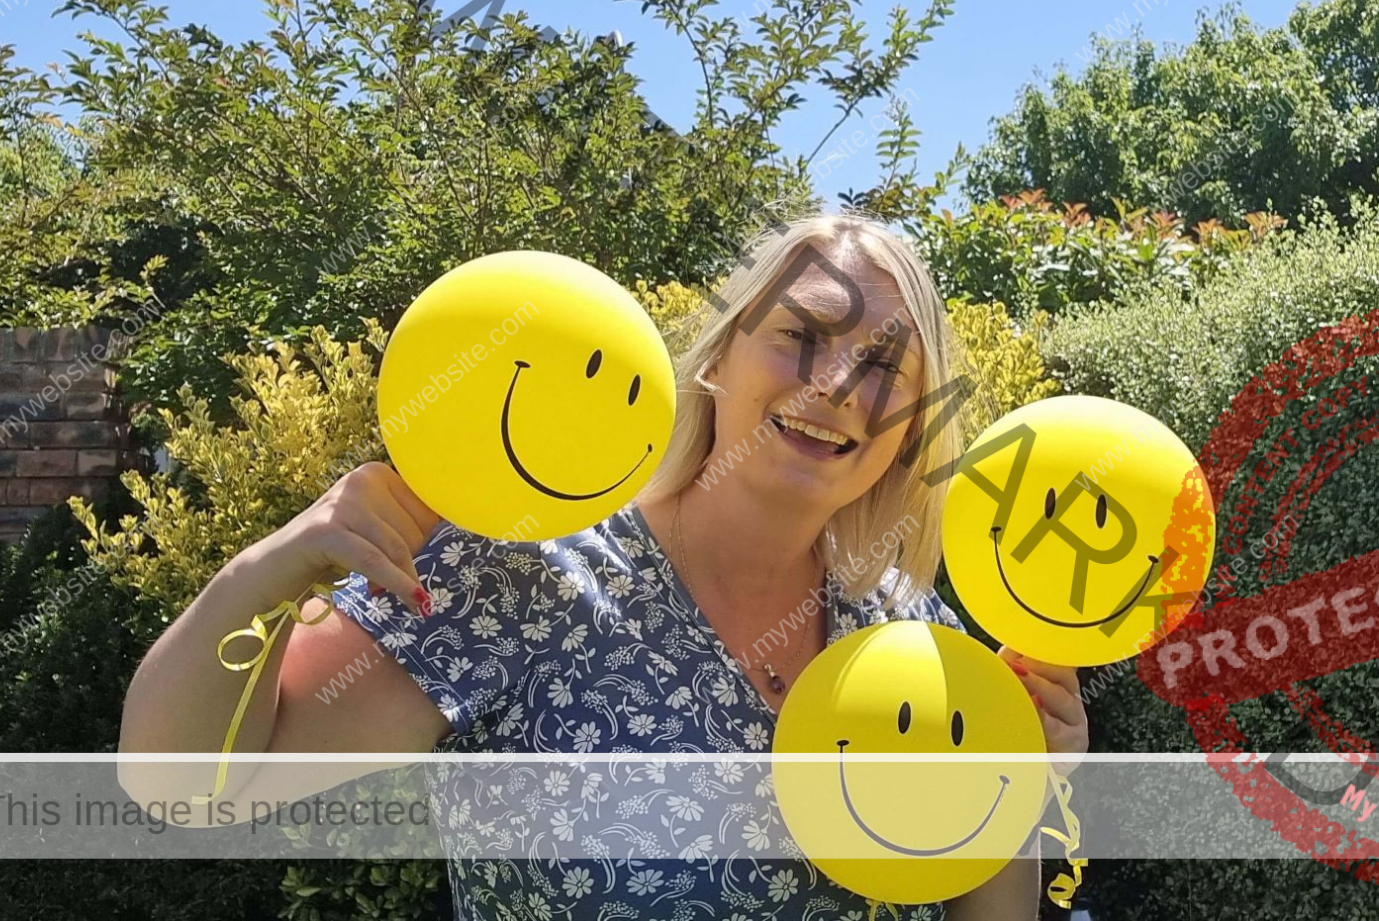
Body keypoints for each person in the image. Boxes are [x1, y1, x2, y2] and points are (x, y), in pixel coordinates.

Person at [118, 209, 1090, 919]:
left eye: (883, 366)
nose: (836, 384)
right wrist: (268, 570)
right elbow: (182, 787)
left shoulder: (917, 635)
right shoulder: (524, 572)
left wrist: (1017, 791)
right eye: (801, 335)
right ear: (719, 358)